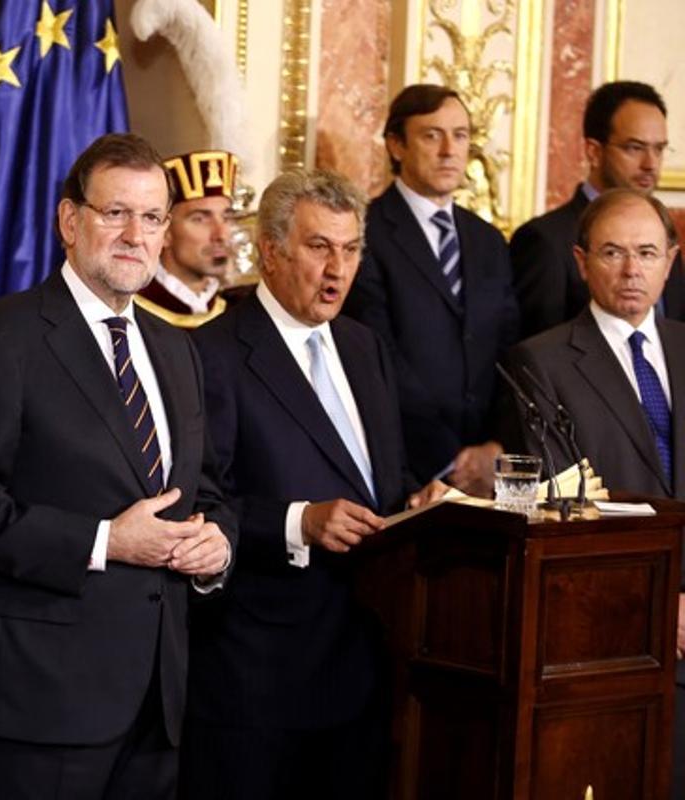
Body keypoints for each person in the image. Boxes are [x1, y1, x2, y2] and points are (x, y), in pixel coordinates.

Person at [0, 132, 235, 800]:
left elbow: (205, 490)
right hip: (41, 704)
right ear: (70, 221)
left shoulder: (177, 350)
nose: (136, 235)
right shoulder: (1, 336)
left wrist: (217, 546)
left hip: (159, 703)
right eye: (115, 213)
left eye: (152, 217)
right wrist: (104, 541)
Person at [183, 168, 446, 799]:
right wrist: (299, 521)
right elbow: (198, 504)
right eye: (319, 247)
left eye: (351, 249)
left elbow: (384, 476)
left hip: (368, 667)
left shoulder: (364, 347)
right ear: (271, 250)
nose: (338, 268)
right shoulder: (210, 354)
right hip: (262, 681)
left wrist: (419, 499)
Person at [502, 188, 685, 798]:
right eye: (612, 252)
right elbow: (567, 514)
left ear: (672, 258)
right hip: (614, 635)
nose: (632, 270)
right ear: (581, 262)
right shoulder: (541, 363)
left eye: (647, 252)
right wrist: (666, 602)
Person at [344, 83, 520, 496]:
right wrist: (450, 460)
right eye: (431, 135)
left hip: (489, 466)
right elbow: (377, 355)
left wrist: (497, 446)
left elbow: (512, 353)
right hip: (406, 465)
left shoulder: (489, 241)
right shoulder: (365, 232)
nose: (449, 150)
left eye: (460, 136)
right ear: (396, 145)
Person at [510, 81, 685, 337]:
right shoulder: (545, 241)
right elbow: (536, 354)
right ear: (594, 151)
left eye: (658, 149)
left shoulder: (663, 237)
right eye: (634, 148)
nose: (650, 164)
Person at [134, 149, 238, 328]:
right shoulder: (130, 314)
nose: (220, 235)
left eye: (226, 217)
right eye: (200, 219)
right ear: (164, 231)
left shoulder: (236, 312)